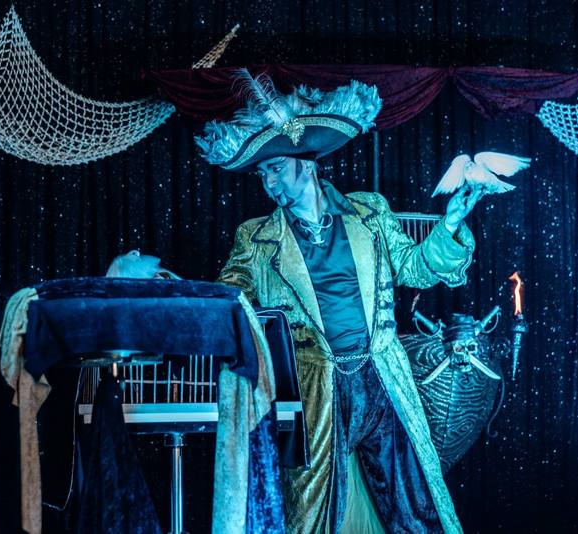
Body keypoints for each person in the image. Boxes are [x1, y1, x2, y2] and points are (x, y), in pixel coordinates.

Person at [196, 74, 481, 534]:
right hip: (316, 387)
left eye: (275, 168)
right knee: (309, 511)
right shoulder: (256, 238)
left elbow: (414, 268)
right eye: (263, 173)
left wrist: (447, 227)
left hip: (383, 377)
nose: (268, 181)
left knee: (415, 504)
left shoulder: (369, 212)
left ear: (306, 164)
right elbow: (230, 297)